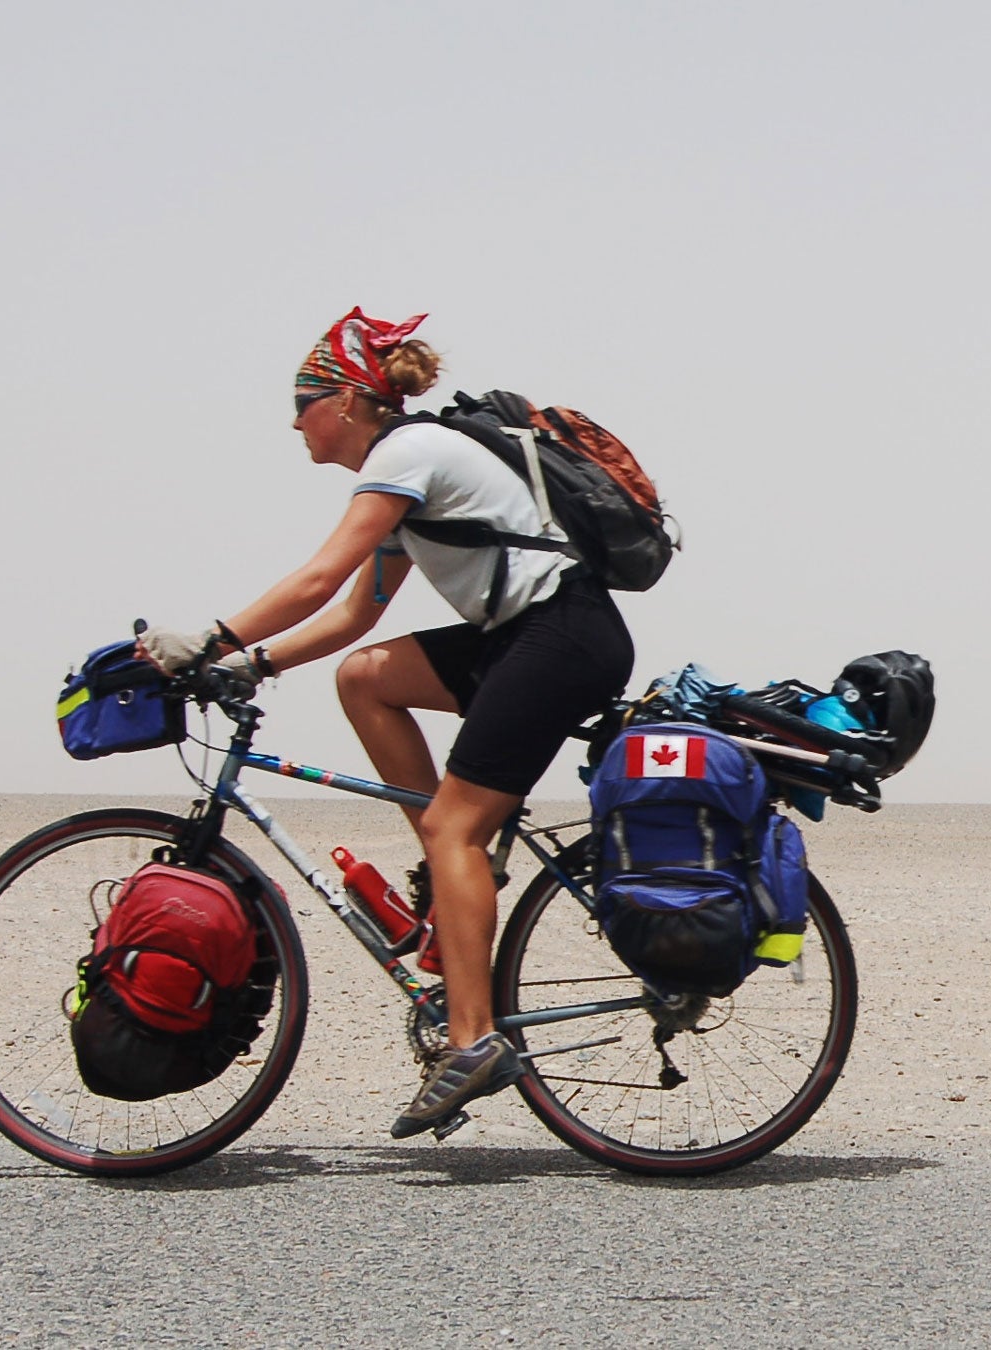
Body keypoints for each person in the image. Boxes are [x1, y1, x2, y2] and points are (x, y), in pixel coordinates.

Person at [137, 308, 635, 1137]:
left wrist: (212, 638)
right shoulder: (410, 475)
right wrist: (251, 666)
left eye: (302, 400)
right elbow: (351, 619)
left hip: (562, 635)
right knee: (366, 680)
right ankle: (449, 870)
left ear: (345, 401)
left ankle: (473, 1039)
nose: (293, 420)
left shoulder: (405, 454)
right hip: (529, 635)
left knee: (456, 831)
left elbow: (319, 575)